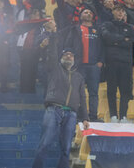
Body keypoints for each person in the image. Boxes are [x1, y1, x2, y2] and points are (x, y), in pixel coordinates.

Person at [32, 27, 89, 168]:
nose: (68, 56)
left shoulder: (79, 77)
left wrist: (86, 117)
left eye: (71, 55)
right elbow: (52, 53)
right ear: (61, 58)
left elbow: (83, 97)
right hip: (54, 110)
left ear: (75, 60)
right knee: (44, 144)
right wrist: (52, 35)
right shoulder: (54, 69)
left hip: (71, 114)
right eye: (65, 55)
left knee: (66, 149)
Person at [65, 8, 104, 121]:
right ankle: (78, 115)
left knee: (93, 93)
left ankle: (93, 116)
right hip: (79, 66)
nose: (88, 14)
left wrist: (101, 61)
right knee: (77, 92)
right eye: (85, 12)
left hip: (94, 66)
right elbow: (68, 46)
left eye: (90, 13)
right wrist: (71, 61)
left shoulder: (98, 30)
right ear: (80, 16)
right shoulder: (75, 29)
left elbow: (102, 47)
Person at [100, 4, 134, 123]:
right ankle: (113, 115)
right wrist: (123, 39)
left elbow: (132, 43)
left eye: (122, 11)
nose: (120, 13)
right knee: (112, 89)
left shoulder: (129, 27)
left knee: (125, 90)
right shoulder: (107, 25)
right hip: (112, 61)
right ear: (113, 12)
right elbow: (106, 37)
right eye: (118, 10)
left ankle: (123, 116)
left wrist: (116, 42)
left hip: (126, 62)